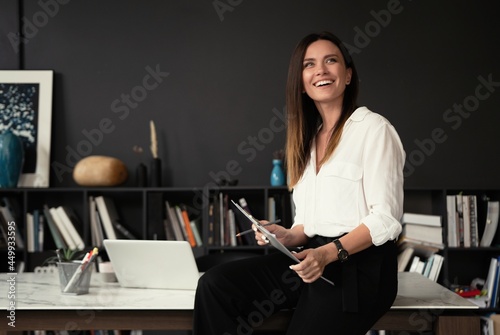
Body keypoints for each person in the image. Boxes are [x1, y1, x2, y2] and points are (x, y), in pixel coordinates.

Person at [193, 31, 406, 335]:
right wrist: (285, 235)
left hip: (359, 267)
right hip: (311, 257)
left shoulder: (374, 129)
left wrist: (327, 254)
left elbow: (386, 220)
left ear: (347, 76)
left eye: (330, 61)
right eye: (309, 64)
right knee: (215, 286)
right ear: (302, 82)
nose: (320, 70)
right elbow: (307, 225)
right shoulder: (307, 142)